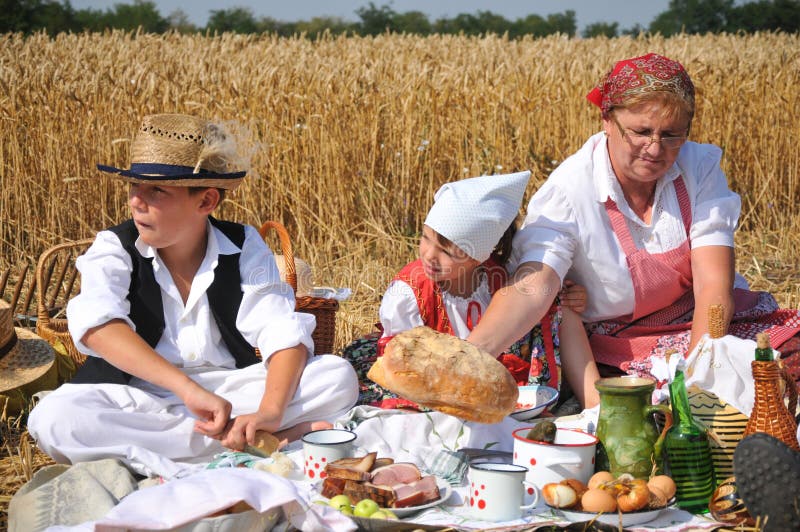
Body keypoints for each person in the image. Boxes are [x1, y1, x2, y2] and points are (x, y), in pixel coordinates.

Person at [27, 114, 359, 478]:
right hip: (141, 398)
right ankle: (250, 443)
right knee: (53, 418)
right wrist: (186, 390)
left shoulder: (244, 244)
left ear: (206, 201)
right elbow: (98, 328)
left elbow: (282, 331)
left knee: (337, 376)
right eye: (135, 186)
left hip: (231, 392)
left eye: (157, 191)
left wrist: (270, 410)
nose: (137, 201)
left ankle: (215, 445)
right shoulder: (114, 247)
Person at [466, 53, 800, 380]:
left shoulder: (698, 167)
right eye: (641, 132)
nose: (655, 149)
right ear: (607, 121)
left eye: (671, 135)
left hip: (705, 320)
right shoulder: (570, 190)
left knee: (780, 369)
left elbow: (713, 284)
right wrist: (470, 356)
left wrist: (699, 375)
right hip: (622, 342)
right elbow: (535, 283)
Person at [344, 171, 599, 411]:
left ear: (479, 256)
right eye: (425, 238)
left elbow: (539, 297)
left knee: (558, 308)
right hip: (423, 376)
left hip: (481, 373)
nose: (429, 255)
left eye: (446, 251)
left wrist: (567, 297)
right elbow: (402, 362)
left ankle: (595, 405)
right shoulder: (412, 291)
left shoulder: (496, 277)